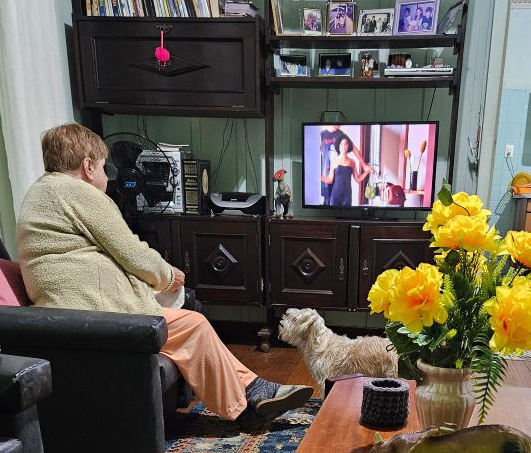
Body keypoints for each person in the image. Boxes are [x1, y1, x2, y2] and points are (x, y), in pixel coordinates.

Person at [17, 124, 312, 427]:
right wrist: (169, 276)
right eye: (105, 169)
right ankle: (245, 408)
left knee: (186, 321)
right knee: (192, 323)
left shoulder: (43, 191)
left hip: (77, 312)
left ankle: (253, 391)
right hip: (93, 316)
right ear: (88, 166)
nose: (109, 178)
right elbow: (131, 252)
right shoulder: (78, 193)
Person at [320, 137, 372, 206]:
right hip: (335, 196)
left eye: (346, 144)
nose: (343, 146)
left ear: (348, 146)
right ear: (339, 146)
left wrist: (367, 172)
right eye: (341, 144)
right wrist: (321, 177)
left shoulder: (352, 162)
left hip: (347, 196)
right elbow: (330, 180)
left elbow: (358, 179)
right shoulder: (334, 161)